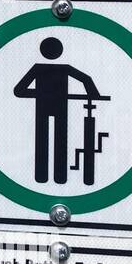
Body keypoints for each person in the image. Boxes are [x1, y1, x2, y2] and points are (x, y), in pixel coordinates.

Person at [13, 36, 102, 185]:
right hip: (49, 107)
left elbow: (86, 79)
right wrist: (93, 93)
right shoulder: (44, 69)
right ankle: (49, 177)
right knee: (44, 140)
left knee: (58, 140)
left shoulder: (48, 68)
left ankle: (54, 177)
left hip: (56, 107)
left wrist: (93, 94)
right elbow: (19, 90)